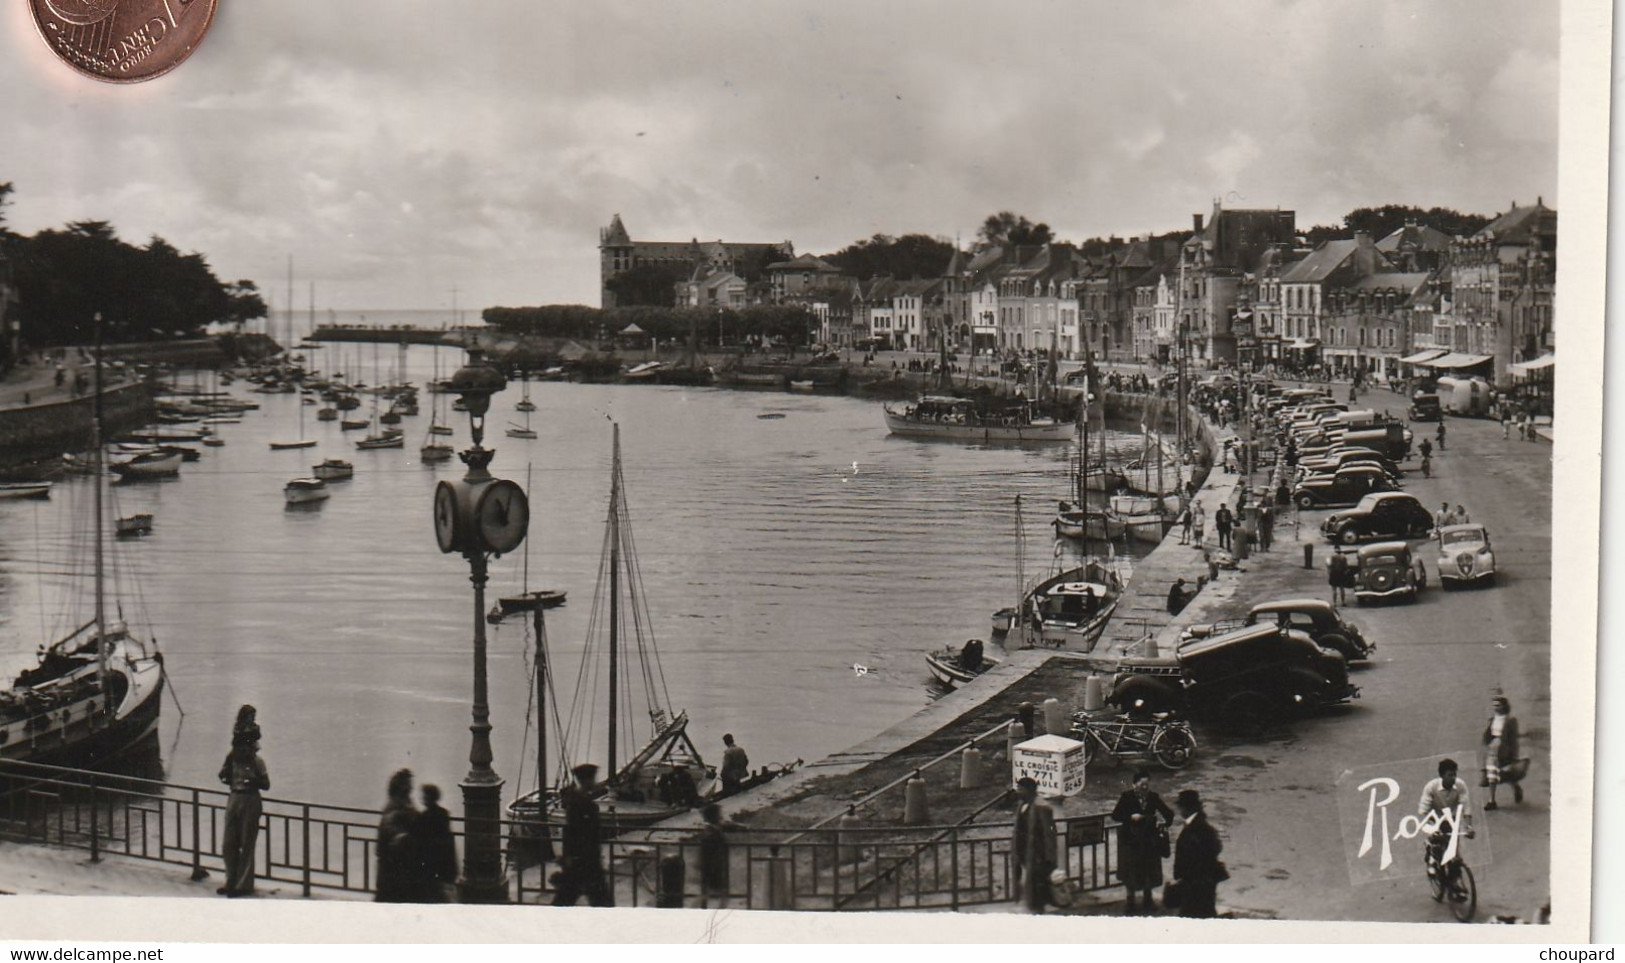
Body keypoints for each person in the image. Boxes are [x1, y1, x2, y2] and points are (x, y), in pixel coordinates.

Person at [216, 706, 270, 897]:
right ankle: (231, 880)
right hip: (235, 797)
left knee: (247, 843)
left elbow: (266, 784)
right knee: (228, 844)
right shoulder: (233, 758)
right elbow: (222, 774)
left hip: (250, 799)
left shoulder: (257, 762)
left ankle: (242, 885)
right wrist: (229, 778)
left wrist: (251, 780)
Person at [1111, 770, 1173, 915]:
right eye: (1141, 784)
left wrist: (1164, 824)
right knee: (1130, 871)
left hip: (1149, 840)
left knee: (1148, 870)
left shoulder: (1153, 797)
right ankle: (1130, 901)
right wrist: (1131, 817)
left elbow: (1168, 813)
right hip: (1131, 840)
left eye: (1147, 784)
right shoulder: (1127, 797)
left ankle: (1148, 899)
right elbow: (1115, 815)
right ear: (1134, 784)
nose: (1144, 787)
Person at [554, 763, 613, 906]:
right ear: (586, 780)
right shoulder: (581, 804)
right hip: (585, 860)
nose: (594, 782)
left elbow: (569, 831)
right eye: (592, 779)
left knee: (567, 897)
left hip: (581, 860)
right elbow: (573, 831)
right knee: (601, 900)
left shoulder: (576, 801)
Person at [1171, 789, 1224, 919]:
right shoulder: (1201, 825)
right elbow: (1217, 847)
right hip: (1202, 882)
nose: (1180, 810)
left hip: (1195, 883)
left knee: (1194, 915)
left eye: (1181, 807)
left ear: (1187, 808)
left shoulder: (1196, 828)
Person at [1418, 758, 1474, 878]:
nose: (1453, 778)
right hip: (1434, 819)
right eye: (1449, 775)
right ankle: (1432, 859)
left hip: (1451, 820)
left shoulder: (1460, 785)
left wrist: (1469, 827)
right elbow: (1424, 811)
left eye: (1454, 774)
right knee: (1436, 843)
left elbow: (1466, 808)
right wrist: (1433, 828)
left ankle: (1454, 885)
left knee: (1455, 857)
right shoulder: (1431, 787)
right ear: (1441, 776)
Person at [1012, 776, 1057, 913]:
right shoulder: (1022, 805)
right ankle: (1032, 906)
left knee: (1038, 885)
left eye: (1021, 789)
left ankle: (1038, 910)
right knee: (1027, 882)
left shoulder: (1042, 806)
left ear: (1029, 790)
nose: (1018, 792)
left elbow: (1049, 834)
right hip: (1023, 850)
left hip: (1038, 853)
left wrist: (1049, 858)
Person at [376, 768, 421, 903]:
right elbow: (389, 826)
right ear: (402, 787)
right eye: (408, 783)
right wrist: (401, 836)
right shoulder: (396, 805)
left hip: (397, 863)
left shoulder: (404, 803)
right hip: (395, 864)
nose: (411, 787)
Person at [417, 784, 459, 902]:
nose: (422, 798)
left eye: (424, 795)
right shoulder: (444, 813)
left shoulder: (423, 817)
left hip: (430, 863)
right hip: (444, 863)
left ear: (428, 798)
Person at [698, 802, 744, 908]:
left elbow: (726, 825)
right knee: (714, 894)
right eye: (719, 814)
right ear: (715, 816)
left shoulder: (712, 828)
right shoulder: (711, 832)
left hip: (714, 866)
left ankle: (704, 909)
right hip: (713, 866)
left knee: (710, 893)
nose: (721, 816)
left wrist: (739, 827)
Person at [1482, 696, 1524, 809]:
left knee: (1506, 775)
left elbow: (1513, 740)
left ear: (1504, 706)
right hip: (1492, 750)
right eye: (1494, 705)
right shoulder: (1492, 719)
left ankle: (1516, 788)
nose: (1496, 707)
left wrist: (1514, 755)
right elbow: (1488, 734)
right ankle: (1492, 801)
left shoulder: (1510, 721)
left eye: (1498, 705)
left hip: (1505, 751)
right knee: (1491, 774)